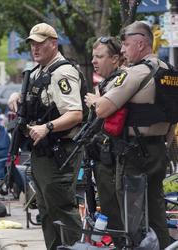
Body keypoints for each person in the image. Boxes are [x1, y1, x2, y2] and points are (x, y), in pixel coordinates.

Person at [86, 21, 171, 249]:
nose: (122, 50)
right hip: (159, 150)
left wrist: (95, 101)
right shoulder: (170, 72)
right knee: (156, 210)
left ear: (141, 43)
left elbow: (103, 109)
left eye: (125, 44)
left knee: (131, 213)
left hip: (135, 154)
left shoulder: (137, 73)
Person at [8, 23, 83, 249]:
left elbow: (75, 114)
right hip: (42, 152)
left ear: (54, 43)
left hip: (59, 151)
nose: (35, 48)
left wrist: (47, 127)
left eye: (40, 43)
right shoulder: (40, 71)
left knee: (61, 208)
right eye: (32, 44)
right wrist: (17, 97)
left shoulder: (62, 72)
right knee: (47, 210)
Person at [85, 37, 124, 237]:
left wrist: (96, 102)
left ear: (115, 59)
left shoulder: (121, 81)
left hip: (115, 157)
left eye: (99, 56)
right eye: (93, 56)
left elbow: (110, 114)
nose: (94, 61)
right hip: (103, 155)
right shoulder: (106, 83)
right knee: (109, 210)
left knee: (116, 213)